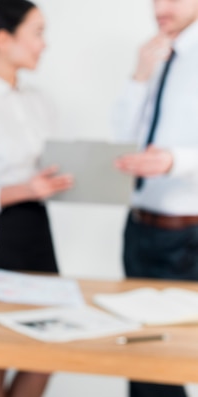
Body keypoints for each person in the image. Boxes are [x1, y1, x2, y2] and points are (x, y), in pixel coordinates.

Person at [0, 1, 73, 396]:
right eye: (37, 32)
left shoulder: (38, 100)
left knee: (48, 346)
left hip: (37, 229)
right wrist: (27, 188)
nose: (44, 44)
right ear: (4, 39)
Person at [112, 0, 198, 396]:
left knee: (171, 359)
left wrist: (174, 161)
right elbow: (124, 140)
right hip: (139, 227)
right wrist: (139, 76)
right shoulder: (158, 55)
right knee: (139, 358)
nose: (161, 6)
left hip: (185, 237)